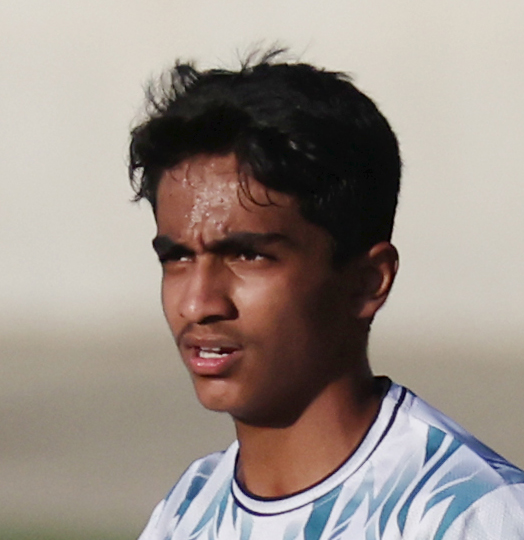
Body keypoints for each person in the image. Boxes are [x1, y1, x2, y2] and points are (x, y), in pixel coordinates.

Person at [128, 50, 524, 539]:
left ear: (368, 282)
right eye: (178, 258)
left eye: (248, 256)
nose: (197, 303)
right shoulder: (186, 510)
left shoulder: (468, 514)